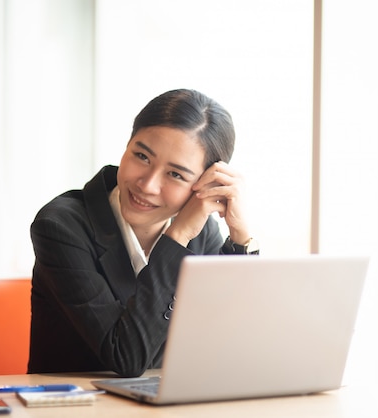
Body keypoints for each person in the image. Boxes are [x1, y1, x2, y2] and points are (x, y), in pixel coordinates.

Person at [28, 89, 259, 377]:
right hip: (78, 405)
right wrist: (177, 236)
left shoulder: (203, 232)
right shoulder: (62, 227)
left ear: (203, 184)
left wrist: (240, 235)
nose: (148, 185)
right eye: (141, 156)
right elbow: (126, 357)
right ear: (127, 145)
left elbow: (238, 345)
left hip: (169, 403)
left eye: (175, 174)